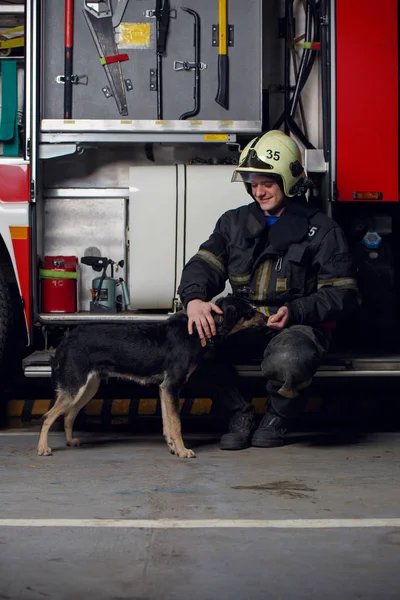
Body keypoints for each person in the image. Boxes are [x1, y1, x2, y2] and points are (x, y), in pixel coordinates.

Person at [178, 130, 360, 450]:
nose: (258, 192)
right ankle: (239, 413)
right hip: (244, 319)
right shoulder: (233, 223)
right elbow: (204, 265)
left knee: (289, 357)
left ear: (289, 181)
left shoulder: (323, 230)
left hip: (296, 325)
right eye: (253, 183)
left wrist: (297, 311)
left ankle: (278, 417)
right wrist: (193, 299)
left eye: (268, 183)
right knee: (189, 340)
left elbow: (343, 294)